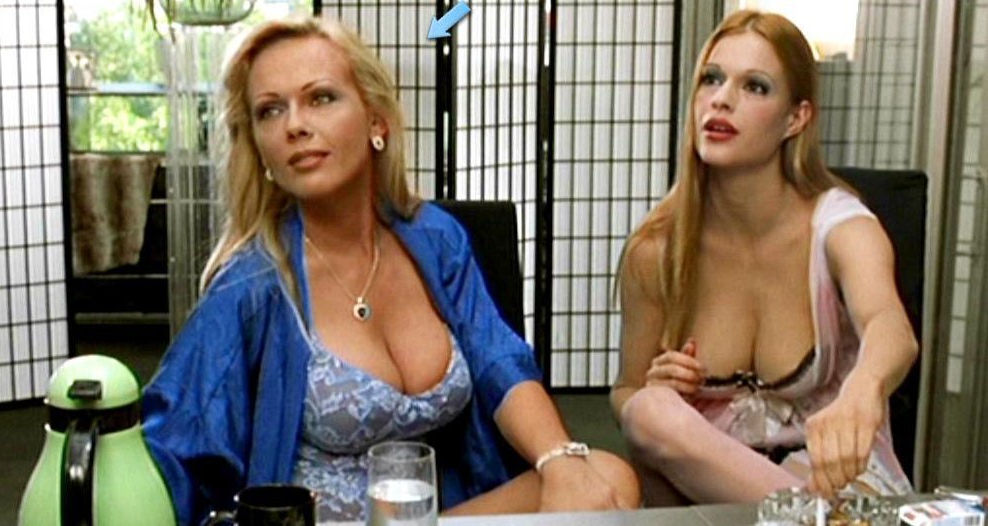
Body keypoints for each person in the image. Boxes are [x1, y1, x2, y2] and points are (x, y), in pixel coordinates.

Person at [142, 14, 638, 524]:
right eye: (271, 110)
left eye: (321, 98)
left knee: (605, 476)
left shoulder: (435, 238)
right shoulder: (252, 284)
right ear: (259, 147)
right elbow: (171, 440)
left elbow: (498, 359)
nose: (294, 125)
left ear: (376, 121)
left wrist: (559, 459)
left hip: (436, 517)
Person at [610, 10, 918, 506]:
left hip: (833, 483)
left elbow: (889, 324)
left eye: (755, 87)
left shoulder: (840, 228)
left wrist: (864, 389)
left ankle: (814, 515)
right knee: (649, 411)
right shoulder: (656, 250)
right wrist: (655, 386)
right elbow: (625, 393)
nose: (721, 99)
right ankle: (811, 518)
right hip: (713, 489)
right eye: (711, 79)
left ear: (796, 118)